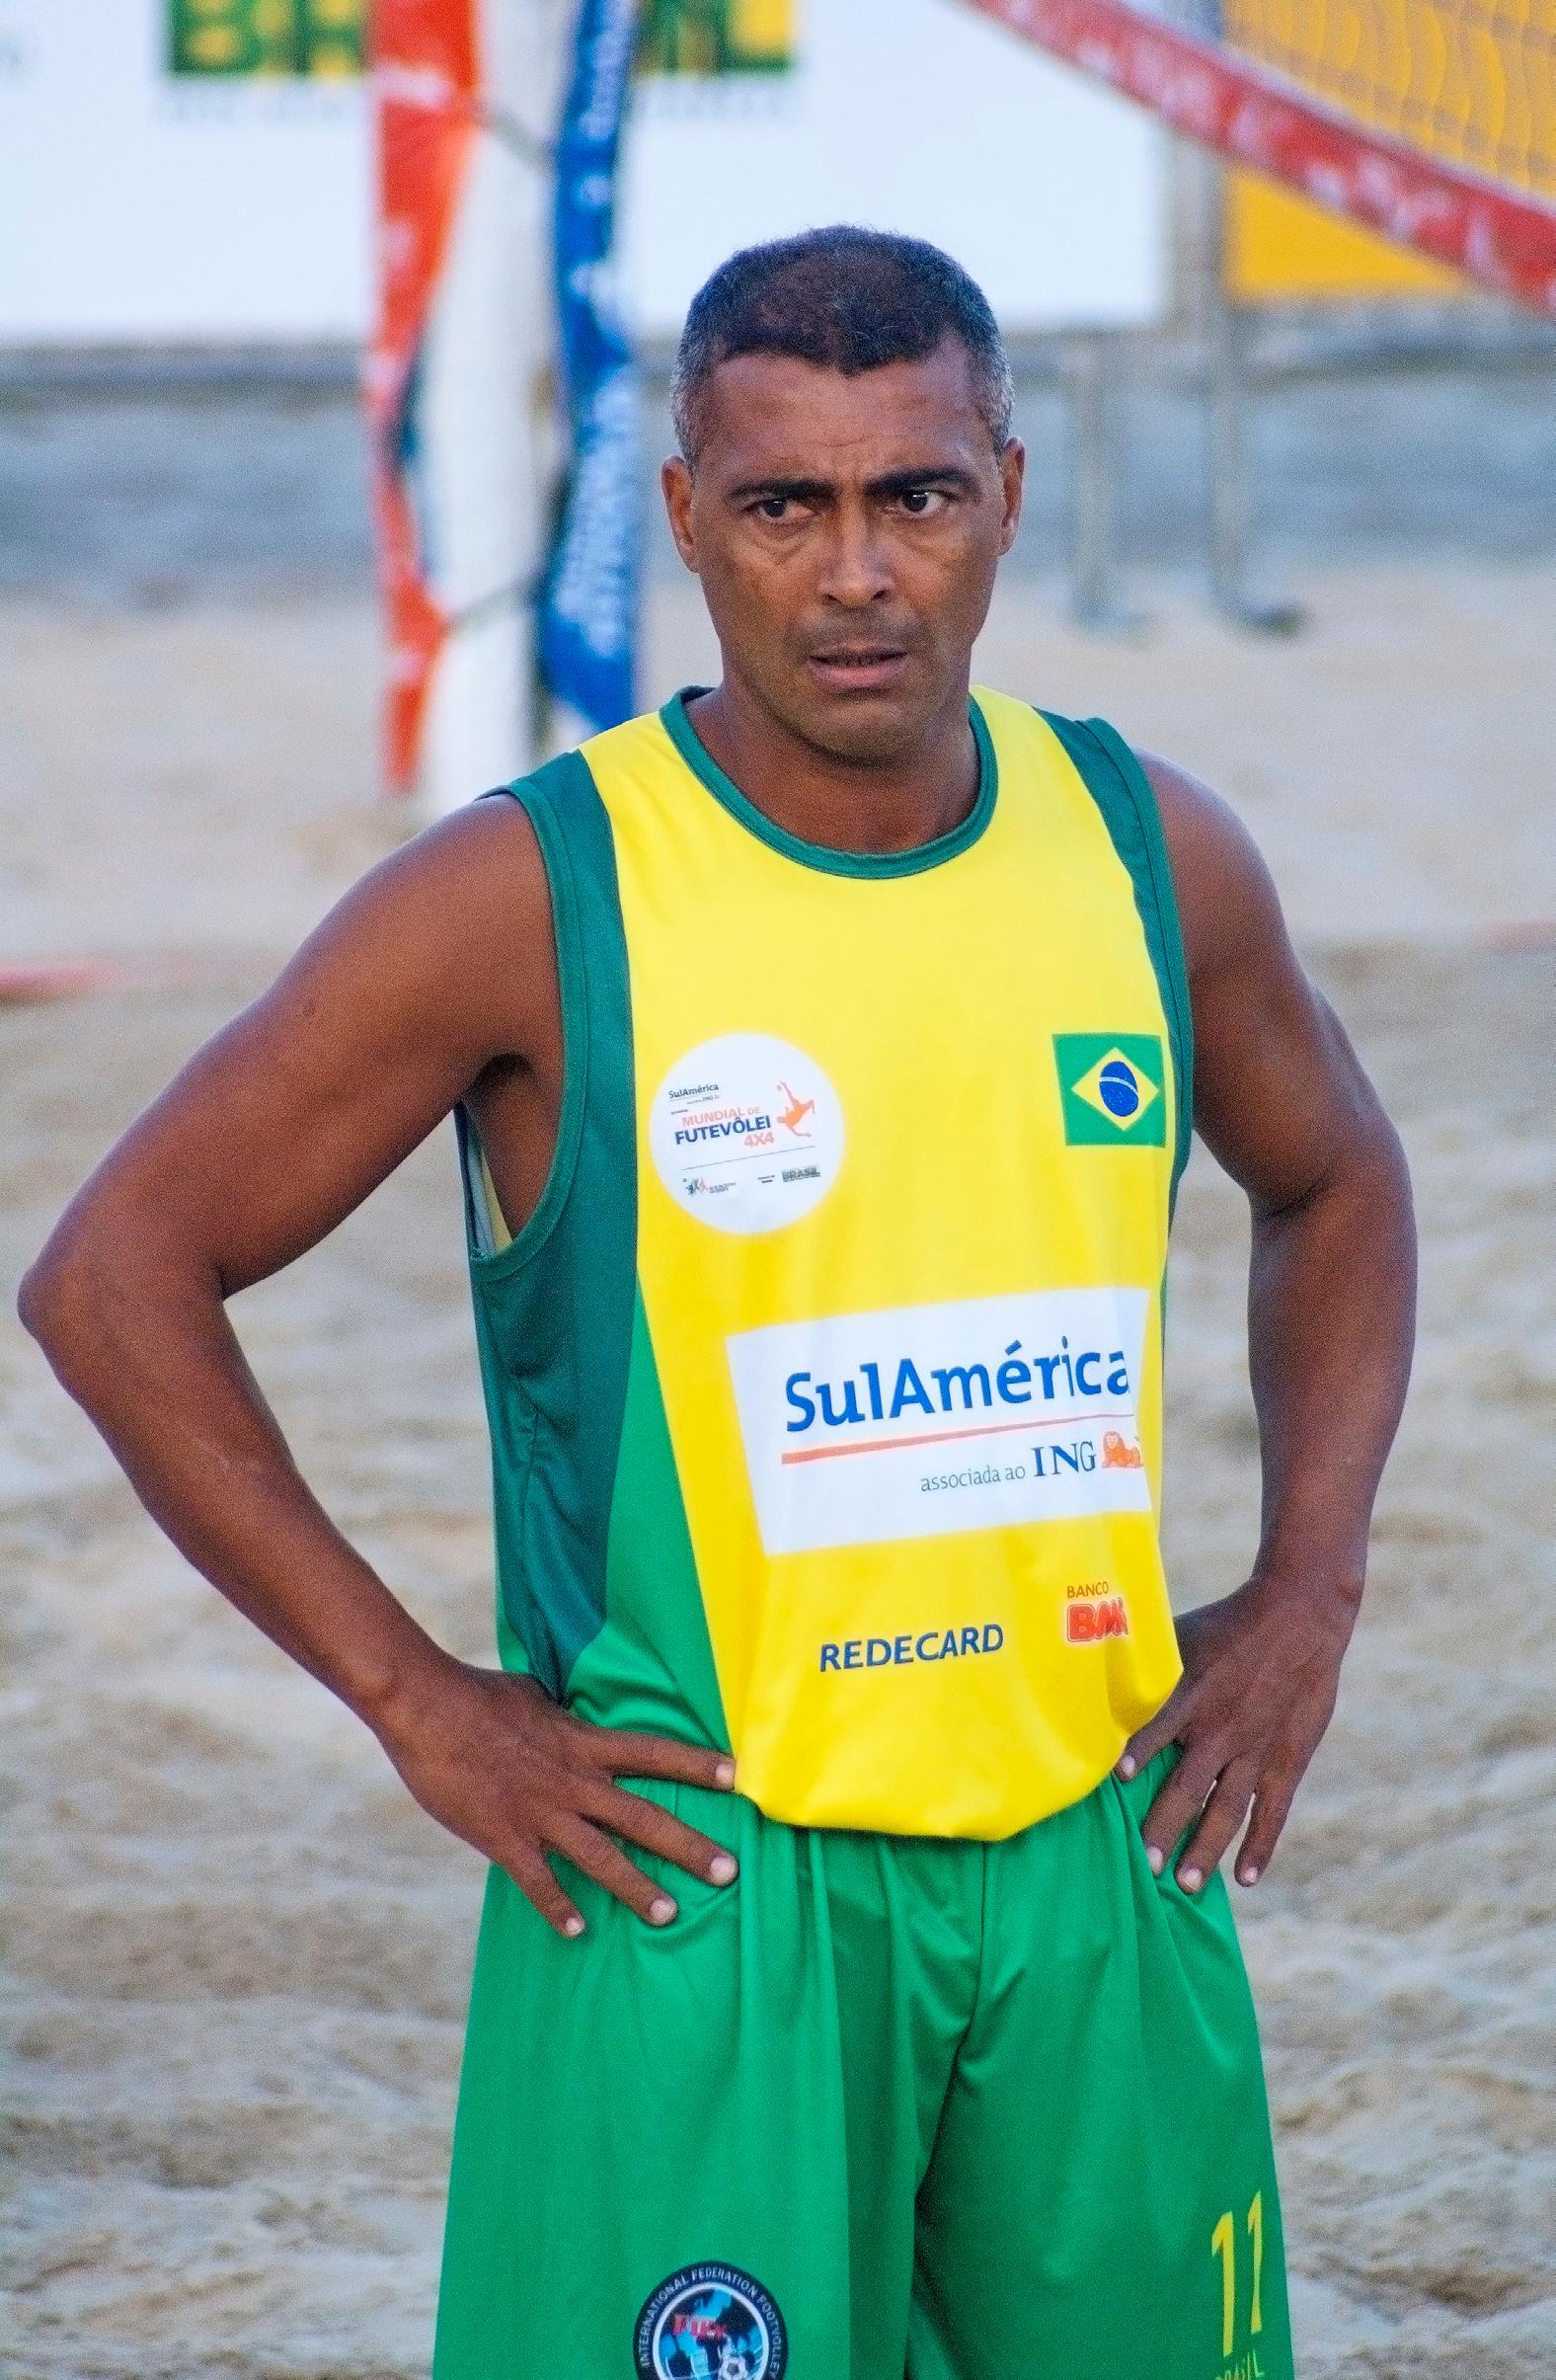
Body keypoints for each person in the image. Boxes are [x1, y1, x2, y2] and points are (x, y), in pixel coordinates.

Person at [19, 228, 1416, 2380]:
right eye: (783, 505)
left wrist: (1310, 1581)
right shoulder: (527, 892)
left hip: (1097, 1854)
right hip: (701, 1878)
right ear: (684, 517)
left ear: (1006, 493)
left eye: (913, 495)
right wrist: (416, 1700)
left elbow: (1334, 1177)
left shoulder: (1149, 850)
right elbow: (116, 1275)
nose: (855, 573)